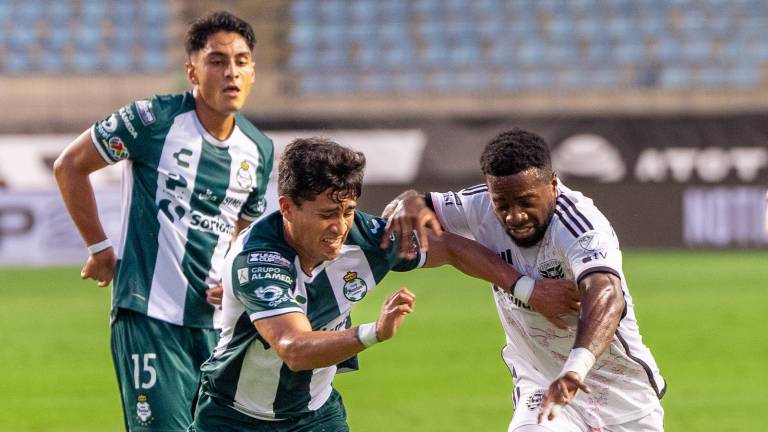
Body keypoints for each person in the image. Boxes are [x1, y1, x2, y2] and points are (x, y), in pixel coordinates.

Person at [189, 137, 545, 431]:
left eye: (346, 211)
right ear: (286, 207)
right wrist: (374, 332)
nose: (340, 227)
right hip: (234, 417)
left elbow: (449, 247)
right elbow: (294, 349)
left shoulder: (368, 238)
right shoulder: (258, 259)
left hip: (315, 416)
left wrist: (527, 289)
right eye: (327, 214)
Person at [53, 11, 272, 431]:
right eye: (217, 61)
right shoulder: (150, 120)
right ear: (191, 70)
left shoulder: (258, 149)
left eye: (242, 61)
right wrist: (99, 249)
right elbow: (70, 166)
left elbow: (246, 229)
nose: (231, 73)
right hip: (149, 317)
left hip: (217, 329)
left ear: (253, 72)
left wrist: (234, 277)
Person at [386, 128, 666, 431]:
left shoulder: (580, 224)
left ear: (553, 184)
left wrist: (574, 371)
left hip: (620, 393)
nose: (514, 216)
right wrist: (408, 202)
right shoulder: (478, 205)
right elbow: (416, 214)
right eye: (502, 204)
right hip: (541, 382)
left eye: (526, 201)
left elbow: (607, 294)